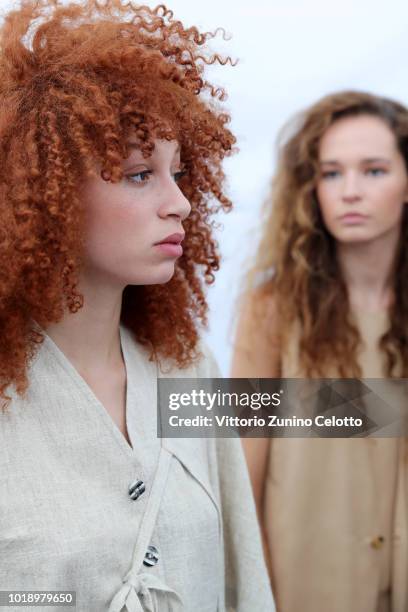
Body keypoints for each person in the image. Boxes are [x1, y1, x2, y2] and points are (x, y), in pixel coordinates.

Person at [0, 1, 275, 610]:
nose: (179, 202)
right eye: (137, 174)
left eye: (179, 173)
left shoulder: (187, 367)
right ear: (45, 191)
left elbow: (242, 576)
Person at [232, 90, 408, 612]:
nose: (350, 191)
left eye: (373, 171)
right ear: (310, 188)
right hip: (304, 587)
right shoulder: (271, 310)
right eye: (331, 173)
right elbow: (241, 474)